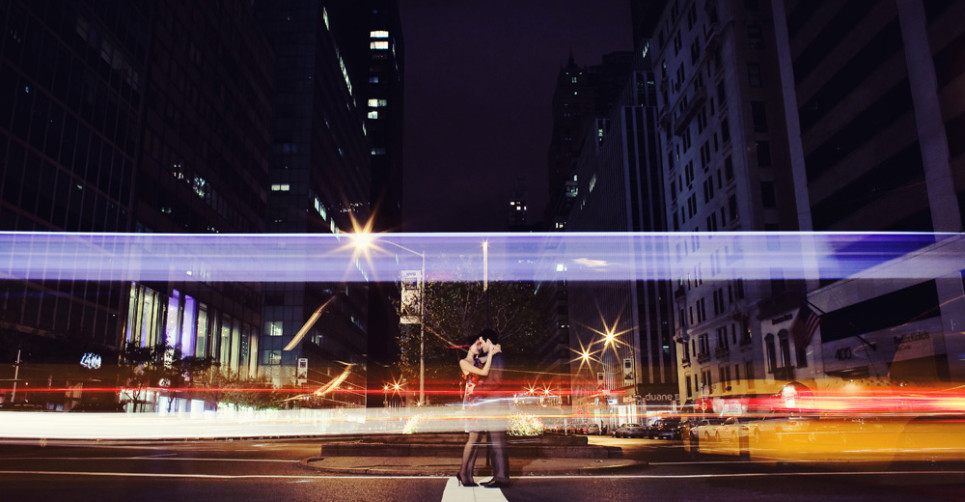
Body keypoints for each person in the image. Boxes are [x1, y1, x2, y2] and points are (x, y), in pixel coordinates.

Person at [456, 332, 500, 487]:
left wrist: (495, 350)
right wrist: (490, 356)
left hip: (480, 402)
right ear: (469, 346)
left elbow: (489, 360)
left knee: (477, 439)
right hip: (472, 403)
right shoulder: (464, 362)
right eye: (477, 343)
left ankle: (469, 474)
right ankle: (463, 473)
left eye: (480, 344)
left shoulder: (477, 361)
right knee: (473, 438)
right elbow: (484, 372)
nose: (480, 346)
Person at [473, 328, 510, 489]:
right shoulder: (493, 357)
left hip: (496, 406)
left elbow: (496, 381)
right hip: (493, 406)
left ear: (488, 341)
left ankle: (501, 477)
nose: (480, 344)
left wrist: (477, 389)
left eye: (482, 341)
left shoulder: (498, 357)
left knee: (498, 443)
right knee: (495, 443)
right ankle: (498, 476)